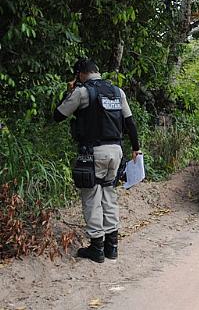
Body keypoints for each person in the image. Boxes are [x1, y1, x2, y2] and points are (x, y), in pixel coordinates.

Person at [54, 59, 141, 263]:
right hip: (116, 151)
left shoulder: (82, 92)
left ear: (80, 74)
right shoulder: (117, 92)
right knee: (109, 194)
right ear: (97, 72)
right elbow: (130, 122)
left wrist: (70, 92)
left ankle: (97, 248)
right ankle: (112, 247)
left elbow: (58, 115)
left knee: (92, 196)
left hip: (94, 152)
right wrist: (136, 148)